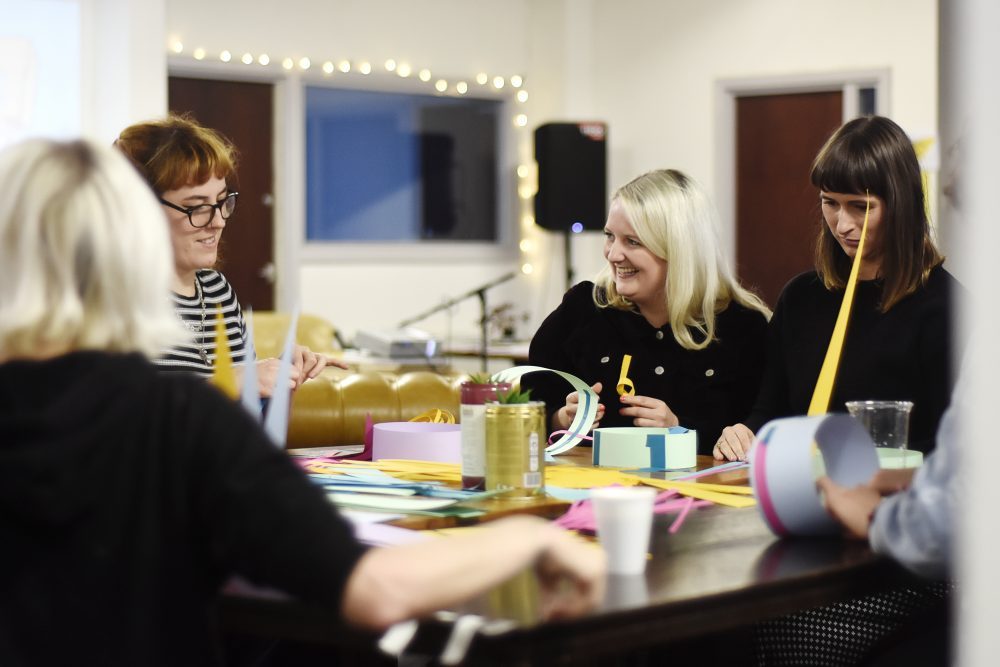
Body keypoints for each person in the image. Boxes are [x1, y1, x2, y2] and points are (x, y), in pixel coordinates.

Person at [0, 138, 605, 665]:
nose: (213, 221)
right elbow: (374, 590)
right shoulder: (179, 417)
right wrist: (532, 539)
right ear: (132, 246)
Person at [715, 116, 962, 462]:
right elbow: (769, 412)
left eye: (861, 207)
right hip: (801, 498)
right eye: (830, 203)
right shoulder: (799, 299)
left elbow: (954, 449)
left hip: (898, 505)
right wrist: (743, 435)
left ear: (901, 205)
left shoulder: (947, 308)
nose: (842, 225)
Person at [526, 169, 771, 455]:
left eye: (633, 241)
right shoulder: (582, 309)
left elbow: (759, 432)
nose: (613, 254)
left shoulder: (742, 328)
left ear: (678, 249)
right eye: (610, 236)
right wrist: (562, 419)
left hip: (698, 496)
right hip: (590, 493)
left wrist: (679, 430)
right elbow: (526, 406)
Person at [114, 114, 347, 397]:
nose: (218, 221)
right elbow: (110, 415)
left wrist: (280, 381)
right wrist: (228, 382)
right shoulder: (110, 298)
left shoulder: (216, 291)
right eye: (197, 207)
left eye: (222, 202)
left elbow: (242, 423)